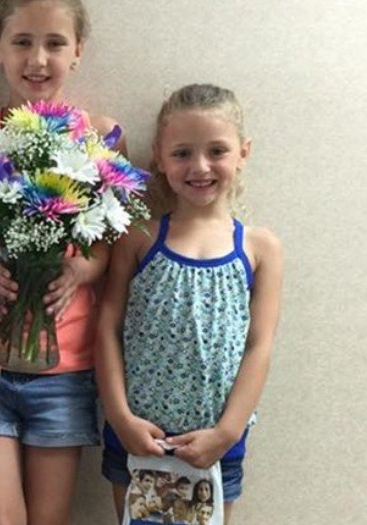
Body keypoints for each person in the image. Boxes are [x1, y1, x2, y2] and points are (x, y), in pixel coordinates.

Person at [0, 1, 121, 522]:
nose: (38, 59)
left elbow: (110, 247)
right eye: (21, 42)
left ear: (78, 51)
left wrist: (81, 269)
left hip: (63, 364)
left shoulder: (101, 139)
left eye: (55, 43)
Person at [96, 83, 283, 524]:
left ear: (243, 152)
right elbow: (107, 328)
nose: (199, 166)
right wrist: (121, 418)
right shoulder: (138, 238)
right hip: (139, 441)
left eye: (216, 150)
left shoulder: (260, 248)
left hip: (217, 448)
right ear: (160, 156)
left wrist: (227, 431)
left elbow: (260, 345)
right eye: (182, 153)